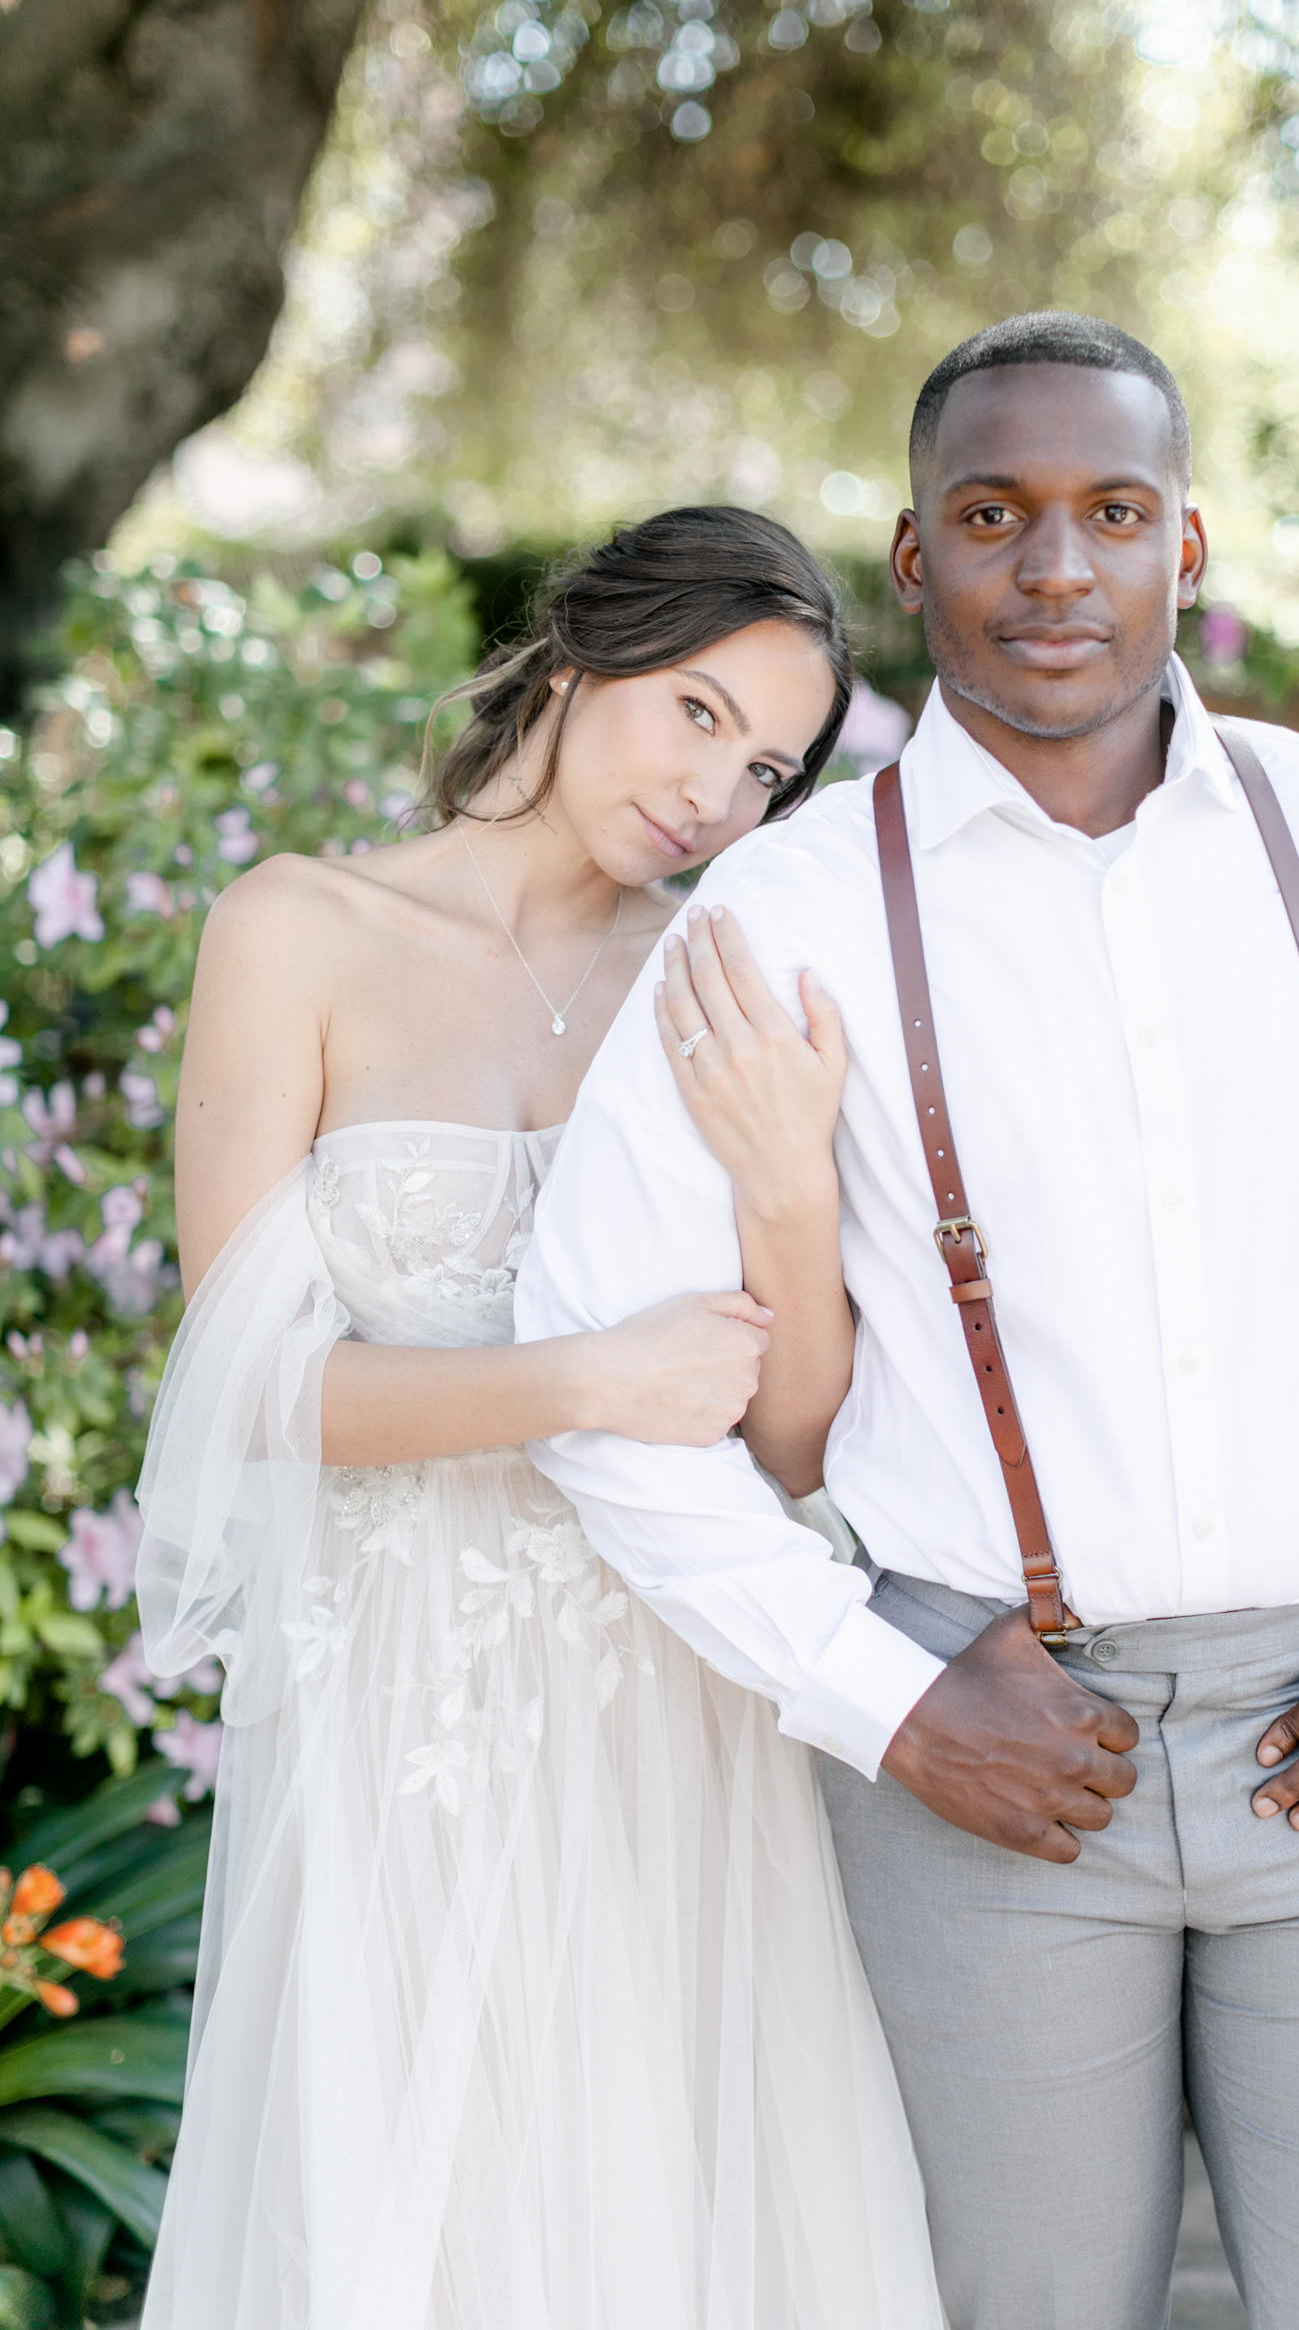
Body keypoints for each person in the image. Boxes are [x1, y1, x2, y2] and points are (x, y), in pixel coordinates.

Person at [517, 318, 1299, 2330]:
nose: (1052, 571)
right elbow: (606, 1400)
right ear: (912, 566)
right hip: (978, 1752)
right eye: (989, 517)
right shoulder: (781, 911)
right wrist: (880, 1697)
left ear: (1184, 544)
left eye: (1107, 514)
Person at [133, 508, 946, 2330]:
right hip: (404, 1692)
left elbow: (798, 1445)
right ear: (576, 655)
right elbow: (250, 1389)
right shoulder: (299, 928)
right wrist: (584, 1382)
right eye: (692, 714)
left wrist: (791, 1187)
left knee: (671, 2202)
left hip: (676, 1691)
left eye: (768, 768)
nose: (716, 796)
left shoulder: (725, 976)